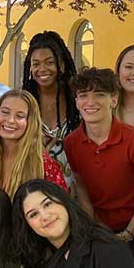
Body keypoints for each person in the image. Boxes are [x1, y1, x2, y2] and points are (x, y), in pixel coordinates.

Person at [63, 68, 134, 268]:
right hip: (100, 226)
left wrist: (127, 234)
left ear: (114, 100)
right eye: (83, 95)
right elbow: (83, 188)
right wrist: (92, 225)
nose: (90, 101)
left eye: (100, 95)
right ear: (76, 102)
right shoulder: (72, 143)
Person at [0, 90, 68, 196]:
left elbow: (61, 208)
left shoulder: (44, 165)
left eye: (20, 116)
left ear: (30, 123)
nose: (11, 120)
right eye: (5, 112)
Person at [21, 31, 80, 189]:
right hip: (36, 188)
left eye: (49, 62)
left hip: (78, 187)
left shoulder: (78, 99)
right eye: (36, 64)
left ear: (61, 64)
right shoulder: (24, 102)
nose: (42, 69)